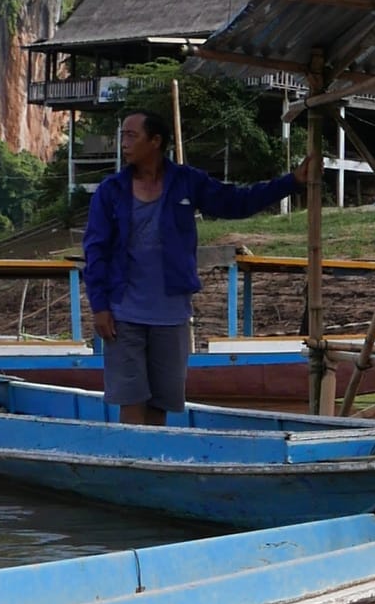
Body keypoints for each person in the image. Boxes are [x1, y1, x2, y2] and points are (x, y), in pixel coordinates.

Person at [83, 109, 303, 424]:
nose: (124, 144)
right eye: (123, 136)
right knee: (130, 398)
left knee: (161, 401)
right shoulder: (111, 190)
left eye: (132, 136)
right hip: (123, 312)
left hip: (171, 313)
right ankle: (133, 461)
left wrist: (291, 182)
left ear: (155, 141)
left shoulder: (186, 181)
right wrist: (99, 306)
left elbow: (235, 202)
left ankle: (155, 465)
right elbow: (95, 249)